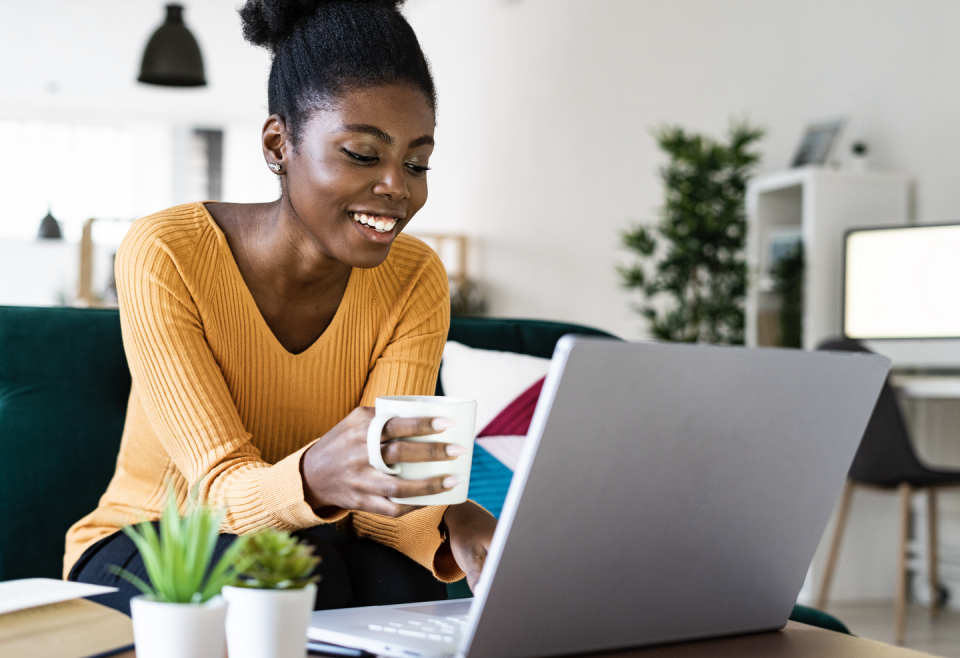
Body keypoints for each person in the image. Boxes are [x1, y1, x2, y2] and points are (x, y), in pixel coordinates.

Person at [65, 0, 497, 615]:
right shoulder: (166, 252)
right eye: (362, 154)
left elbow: (385, 499)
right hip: (159, 537)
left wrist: (448, 517)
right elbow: (214, 493)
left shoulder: (415, 277)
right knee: (288, 578)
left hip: (319, 540)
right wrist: (315, 474)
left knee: (407, 590)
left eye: (417, 161)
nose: (398, 187)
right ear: (279, 144)